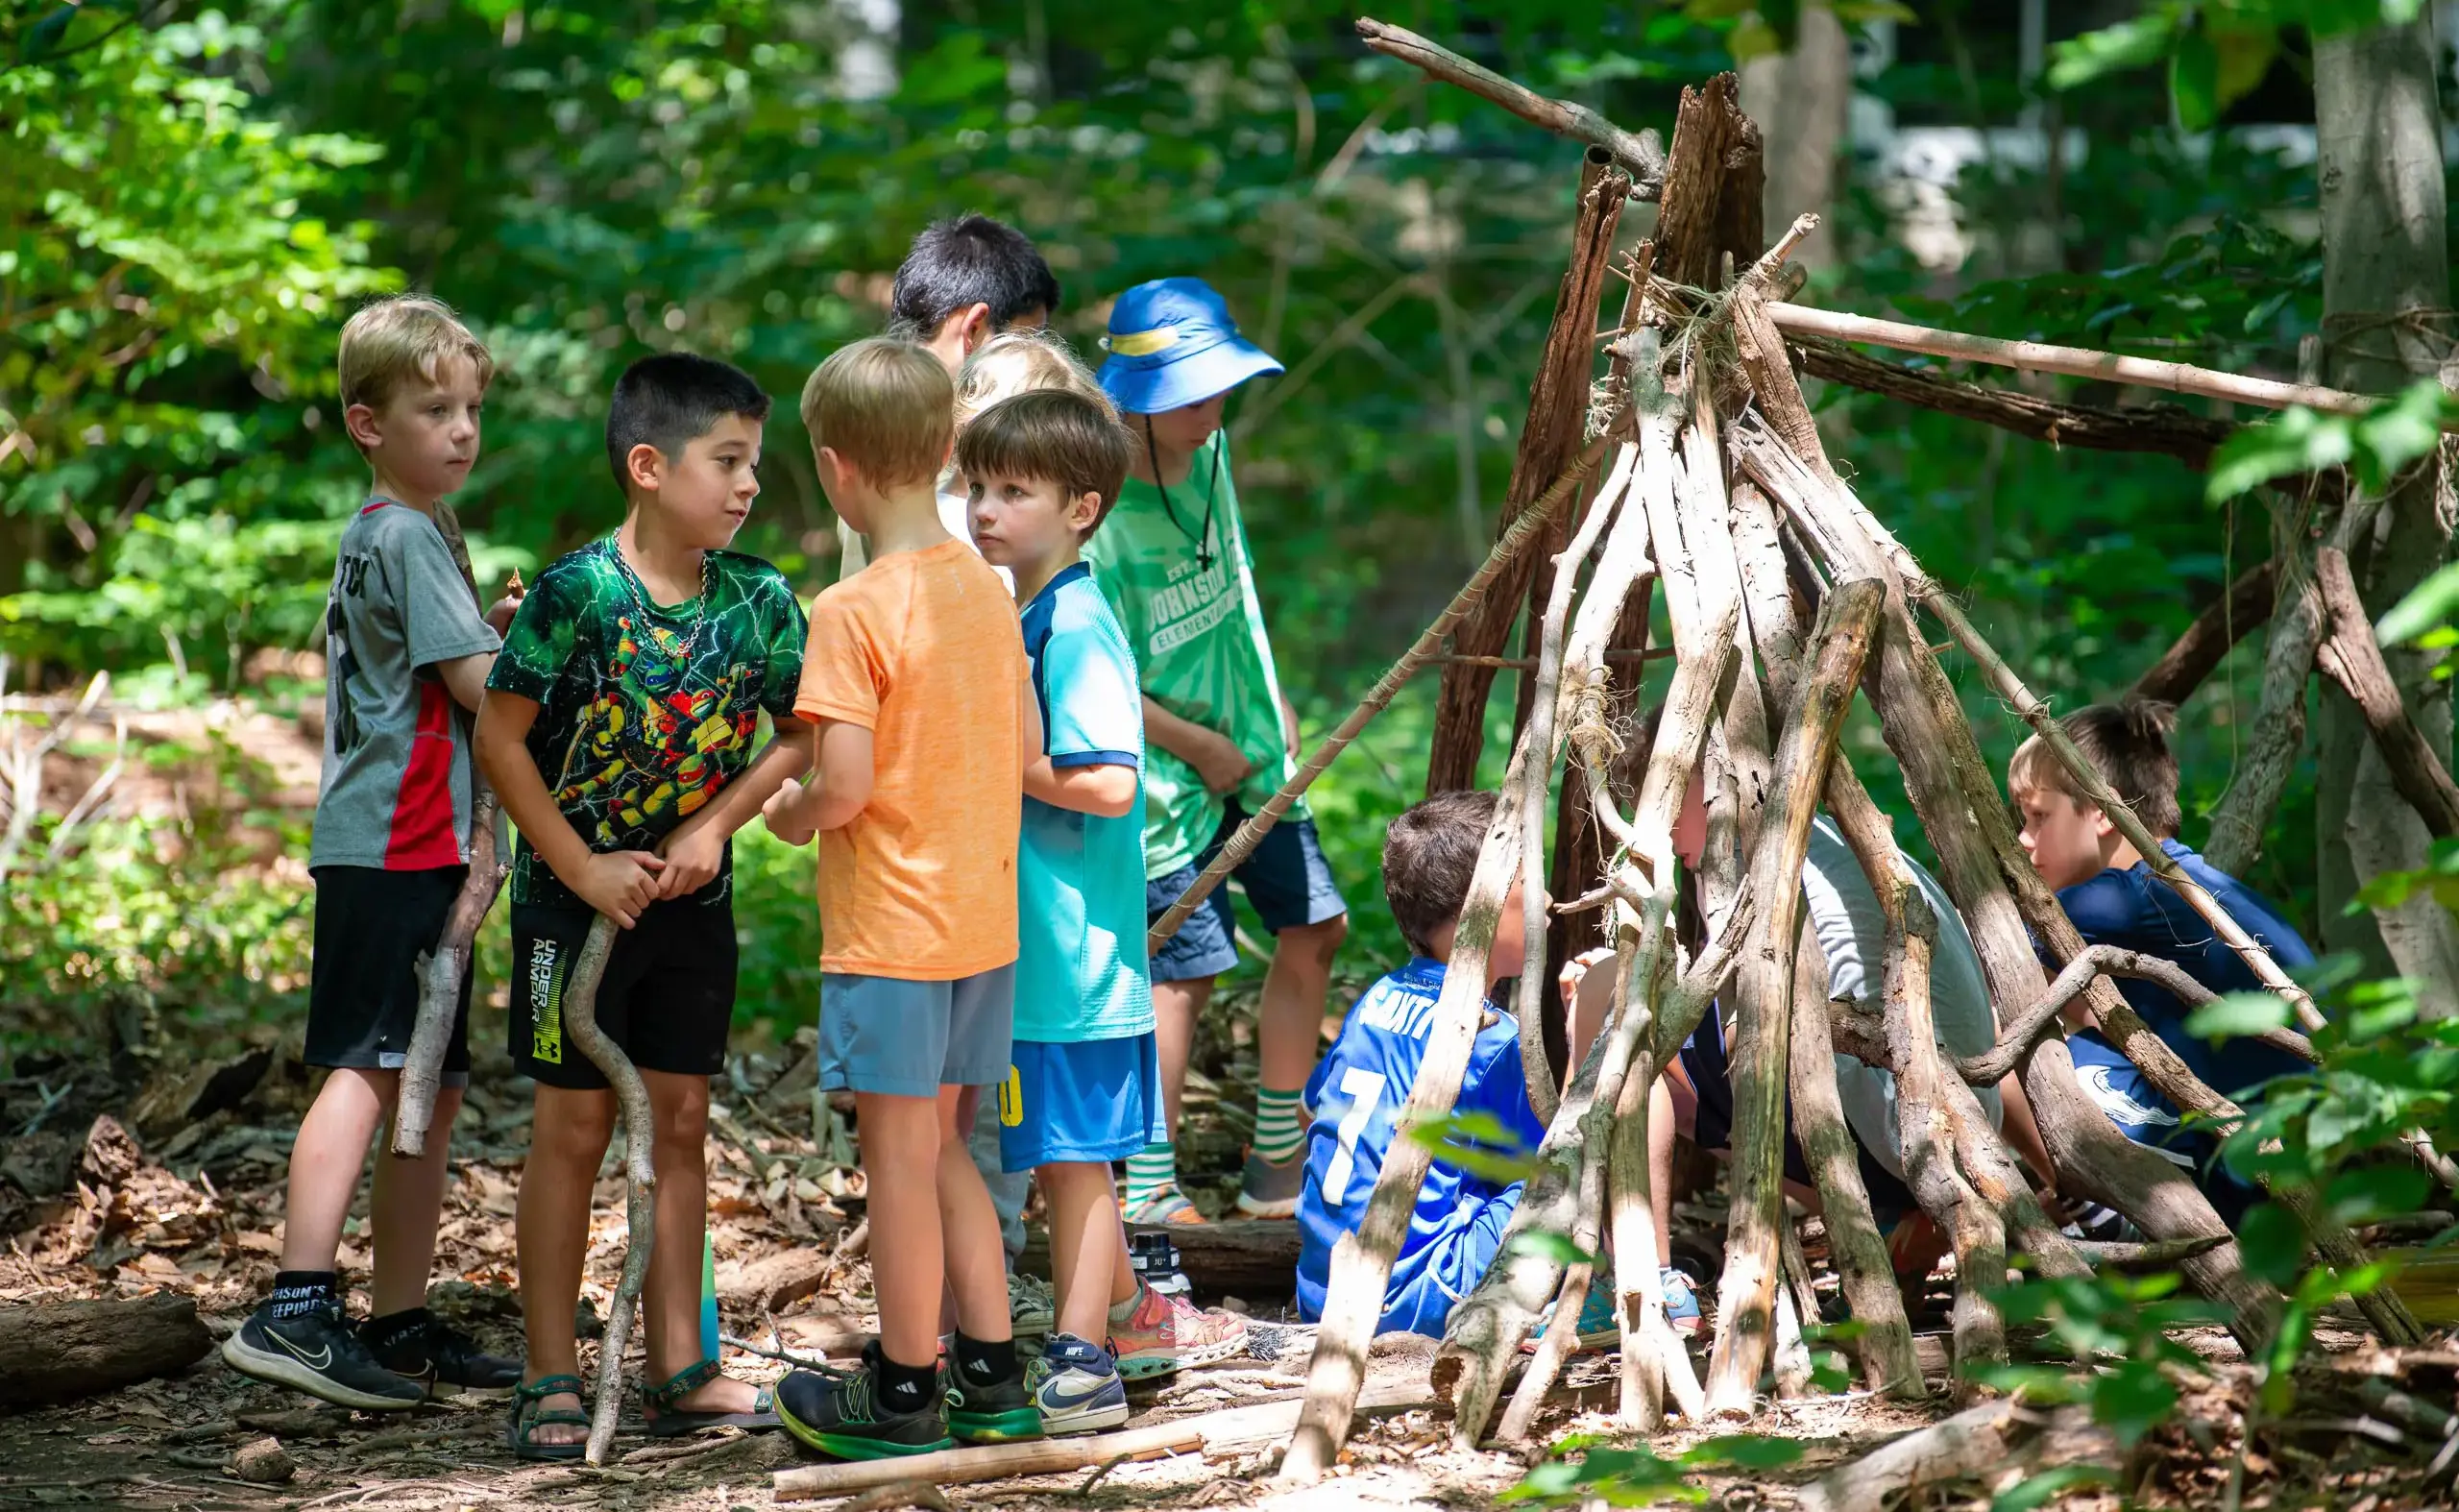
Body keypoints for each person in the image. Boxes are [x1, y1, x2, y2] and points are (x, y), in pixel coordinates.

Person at [475, 353, 812, 1457]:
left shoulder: (760, 598)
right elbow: (500, 738)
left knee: (676, 1122)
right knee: (572, 1124)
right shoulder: (578, 593)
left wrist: (715, 826)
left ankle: (680, 1363)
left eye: (754, 463)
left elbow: (800, 733)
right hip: (570, 904)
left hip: (688, 900)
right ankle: (547, 1373)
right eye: (727, 461)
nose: (749, 484)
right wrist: (581, 867)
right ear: (648, 466)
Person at [220, 295, 525, 1410]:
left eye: (472, 408)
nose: (461, 429)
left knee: (426, 1086)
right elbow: (478, 687)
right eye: (433, 408)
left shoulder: (396, 533)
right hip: (395, 846)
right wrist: (556, 661)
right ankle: (297, 1304)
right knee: (366, 1064)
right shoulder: (400, 531)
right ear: (365, 423)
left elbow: (439, 657)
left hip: (427, 847)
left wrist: (496, 625)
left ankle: (398, 1317)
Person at [764, 338, 1038, 1458]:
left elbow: (841, 788)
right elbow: (1024, 743)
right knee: (944, 1154)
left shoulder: (851, 607)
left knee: (896, 1167)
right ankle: (992, 1368)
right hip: (982, 923)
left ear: (834, 467)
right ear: (942, 453)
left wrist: (786, 811)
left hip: (892, 933)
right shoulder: (989, 587)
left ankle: (906, 1387)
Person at [961, 388, 1250, 1431]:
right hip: (1034, 952)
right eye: (978, 487)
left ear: (1081, 509)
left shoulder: (1076, 623)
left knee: (1075, 1163)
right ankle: (1125, 1318)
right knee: (1055, 1156)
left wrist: (1016, 761)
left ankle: (1082, 1358)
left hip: (1072, 963)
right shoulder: (1030, 612)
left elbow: (1108, 783)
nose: (986, 509)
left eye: (1013, 491)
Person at [1090, 277, 1346, 1225]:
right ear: (1132, 399)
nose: (1212, 409)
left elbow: (1233, 571)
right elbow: (1096, 667)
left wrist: (1269, 698)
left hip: (1250, 750)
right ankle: (1149, 1186)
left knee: (1314, 923)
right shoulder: (1099, 511)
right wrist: (1194, 744)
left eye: (1219, 387)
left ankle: (1276, 1151)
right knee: (1180, 971)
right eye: (1191, 395)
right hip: (1164, 774)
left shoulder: (1212, 450)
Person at [1623, 758, 2057, 1319]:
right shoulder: (1827, 836)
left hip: (1898, 1138)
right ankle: (1894, 1225)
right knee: (1697, 1079)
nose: (1650, 831)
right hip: (1952, 1140)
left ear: (1705, 787)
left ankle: (1648, 1285)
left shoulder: (1747, 855)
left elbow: (1744, 1038)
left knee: (1622, 1025)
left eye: (1660, 805)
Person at [1295, 791, 1603, 1337]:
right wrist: (1583, 1034)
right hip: (1412, 1302)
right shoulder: (1489, 1036)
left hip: (1323, 1290)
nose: (1551, 898)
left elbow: (1310, 1111)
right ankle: (1546, 1310)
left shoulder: (1376, 999)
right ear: (1479, 905)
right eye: (1529, 882)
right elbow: (1557, 1166)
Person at [2010, 699, 2317, 1223]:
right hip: (2294, 1174)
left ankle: (2102, 1204)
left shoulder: (2113, 900)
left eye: (2039, 816)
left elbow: (1991, 992)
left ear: (2104, 812)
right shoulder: (2193, 884)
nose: (2024, 839)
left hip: (2238, 1172)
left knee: (1997, 1033)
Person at [840, 215, 1062, 574]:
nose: (1035, 363)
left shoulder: (862, 434)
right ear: (974, 328)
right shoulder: (932, 452)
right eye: (1025, 342)